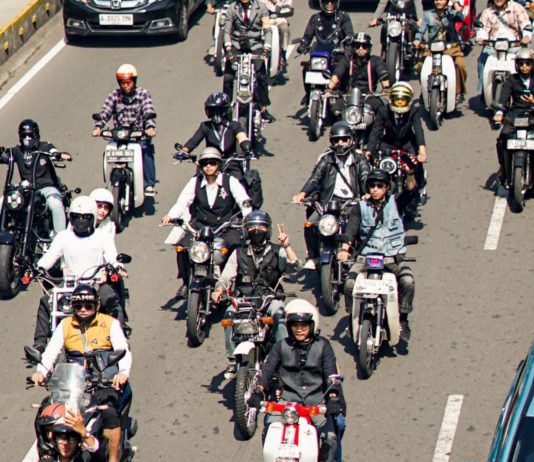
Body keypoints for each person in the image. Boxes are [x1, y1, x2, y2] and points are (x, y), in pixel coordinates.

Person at [32, 284, 132, 462]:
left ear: (97, 305)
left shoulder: (110, 323)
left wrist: (122, 372)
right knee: (45, 410)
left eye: (88, 305)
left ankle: (113, 458)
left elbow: (123, 350)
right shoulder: (65, 325)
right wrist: (41, 371)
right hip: (74, 383)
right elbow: (51, 351)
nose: (83, 309)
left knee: (109, 413)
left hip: (103, 382)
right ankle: (46, 452)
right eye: (78, 306)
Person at [247, 299, 344, 462]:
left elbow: (331, 373)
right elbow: (267, 370)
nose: (299, 330)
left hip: (316, 401)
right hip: (287, 401)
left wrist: (333, 397)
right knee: (268, 430)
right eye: (295, 325)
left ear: (312, 325)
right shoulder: (280, 346)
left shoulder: (324, 345)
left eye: (304, 325)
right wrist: (258, 390)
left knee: (332, 436)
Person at [32, 196, 127, 353]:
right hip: (69, 286)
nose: (81, 220)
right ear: (71, 217)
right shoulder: (63, 237)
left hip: (96, 284)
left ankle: (120, 344)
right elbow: (49, 257)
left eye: (85, 217)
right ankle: (40, 344)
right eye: (77, 216)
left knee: (112, 301)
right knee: (45, 302)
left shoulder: (102, 236)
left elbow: (112, 256)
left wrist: (117, 267)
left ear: (93, 217)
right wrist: (37, 268)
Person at [211, 210, 300, 377]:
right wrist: (218, 291)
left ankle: (284, 357)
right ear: (246, 231)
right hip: (244, 299)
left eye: (261, 227)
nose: (257, 230)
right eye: (252, 227)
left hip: (269, 298)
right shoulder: (238, 253)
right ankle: (232, 359)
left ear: (268, 230)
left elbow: (295, 267)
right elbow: (226, 277)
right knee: (228, 316)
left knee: (280, 316)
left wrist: (287, 246)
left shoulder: (277, 251)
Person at [162, 148, 252, 298]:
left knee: (236, 247)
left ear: (218, 164)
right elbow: (183, 201)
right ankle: (186, 282)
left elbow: (243, 200)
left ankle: (234, 284)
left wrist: (247, 217)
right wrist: (170, 216)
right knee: (182, 248)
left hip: (225, 228)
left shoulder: (229, 181)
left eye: (212, 163)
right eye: (205, 163)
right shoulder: (195, 182)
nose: (208, 166)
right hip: (201, 227)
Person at [338, 169, 415, 341]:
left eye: (379, 186)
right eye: (372, 185)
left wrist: (410, 173)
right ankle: (352, 317)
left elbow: (410, 189)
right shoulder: (360, 207)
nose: (375, 189)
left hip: (392, 257)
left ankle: (403, 318)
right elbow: (351, 230)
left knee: (408, 281)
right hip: (366, 257)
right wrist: (344, 250)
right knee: (349, 284)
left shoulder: (396, 202)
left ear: (386, 187)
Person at [292, 121, 371, 270]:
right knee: (310, 224)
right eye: (336, 140)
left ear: (351, 140)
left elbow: (365, 177)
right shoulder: (326, 159)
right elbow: (315, 178)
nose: (340, 143)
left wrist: (367, 193)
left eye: (344, 139)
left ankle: (361, 255)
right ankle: (314, 256)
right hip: (329, 202)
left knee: (361, 226)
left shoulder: (359, 160)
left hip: (352, 202)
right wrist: (302, 194)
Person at [92, 64, 158, 196]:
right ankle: (109, 181)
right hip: (119, 135)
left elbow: (148, 110)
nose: (125, 85)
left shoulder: (143, 94)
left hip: (138, 135)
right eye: (122, 82)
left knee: (146, 150)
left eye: (128, 82)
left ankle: (149, 184)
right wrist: (98, 127)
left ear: (134, 81)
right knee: (109, 151)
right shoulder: (114, 95)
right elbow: (105, 112)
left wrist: (150, 128)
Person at [0, 119, 71, 234]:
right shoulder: (17, 151)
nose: (27, 138)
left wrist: (58, 155)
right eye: (24, 135)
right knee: (3, 202)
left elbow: (53, 151)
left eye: (30, 135)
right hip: (27, 190)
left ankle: (61, 238)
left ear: (36, 135)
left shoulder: (45, 147)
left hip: (47, 188)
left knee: (56, 204)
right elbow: (5, 156)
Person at [366, 82, 427, 207]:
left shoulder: (414, 111)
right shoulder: (383, 111)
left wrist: (422, 152)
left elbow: (418, 130)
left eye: (403, 100)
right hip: (388, 143)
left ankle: (421, 189)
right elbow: (376, 131)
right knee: (377, 164)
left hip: (407, 143)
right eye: (397, 99)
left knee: (416, 165)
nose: (399, 103)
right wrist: (369, 150)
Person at [223, 0, 276, 122]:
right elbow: (227, 31)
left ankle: (263, 108)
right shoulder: (232, 8)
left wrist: (267, 48)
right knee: (228, 78)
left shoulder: (261, 8)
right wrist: (229, 48)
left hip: (255, 45)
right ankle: (226, 109)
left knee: (261, 75)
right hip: (237, 45)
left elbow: (267, 30)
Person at [181, 92, 253, 180]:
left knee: (239, 182)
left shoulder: (234, 125)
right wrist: (184, 151)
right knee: (196, 181)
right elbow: (193, 141)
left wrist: (246, 146)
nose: (215, 114)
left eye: (218, 110)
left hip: (230, 164)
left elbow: (242, 137)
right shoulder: (205, 126)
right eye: (212, 110)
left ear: (225, 110)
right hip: (209, 163)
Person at [296, 0, 354, 105]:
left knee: (343, 69)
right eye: (326, 2)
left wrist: (347, 45)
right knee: (306, 68)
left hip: (337, 53)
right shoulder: (315, 18)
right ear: (322, 3)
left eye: (332, 2)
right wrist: (303, 45)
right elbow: (308, 35)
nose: (329, 4)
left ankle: (343, 93)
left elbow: (349, 34)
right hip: (321, 54)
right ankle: (308, 93)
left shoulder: (343, 17)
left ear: (337, 3)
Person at [494, 48, 534, 186]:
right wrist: (499, 113)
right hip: (515, 115)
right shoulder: (512, 79)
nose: (524, 66)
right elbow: (504, 98)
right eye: (521, 63)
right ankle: (504, 170)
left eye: (527, 63)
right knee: (502, 140)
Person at [414, 0, 467, 104]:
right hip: (432, 48)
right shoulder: (427, 15)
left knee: (459, 65)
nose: (438, 2)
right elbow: (421, 31)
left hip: (450, 47)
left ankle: (458, 92)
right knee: (420, 66)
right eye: (436, 0)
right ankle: (424, 89)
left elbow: (461, 17)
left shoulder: (452, 13)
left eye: (441, 0)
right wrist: (417, 39)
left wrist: (455, 3)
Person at [475, 0, 531, 95]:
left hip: (515, 45)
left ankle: (526, 89)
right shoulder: (487, 12)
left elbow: (526, 24)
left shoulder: (517, 8)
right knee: (482, 58)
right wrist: (481, 37)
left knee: (526, 61)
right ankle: (483, 90)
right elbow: (483, 29)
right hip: (493, 47)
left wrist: (526, 36)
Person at [327, 33, 390, 112]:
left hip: (369, 97)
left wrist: (386, 89)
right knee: (334, 109)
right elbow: (337, 74)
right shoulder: (346, 60)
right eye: (357, 46)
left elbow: (383, 75)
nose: (360, 48)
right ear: (353, 48)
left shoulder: (376, 61)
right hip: (348, 96)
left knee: (381, 109)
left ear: (369, 48)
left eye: (364, 46)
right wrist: (329, 89)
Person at [263, 0, 293, 71]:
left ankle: (283, 54)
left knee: (285, 30)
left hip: (280, 18)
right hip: (266, 18)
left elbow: (288, 7)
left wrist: (276, 2)